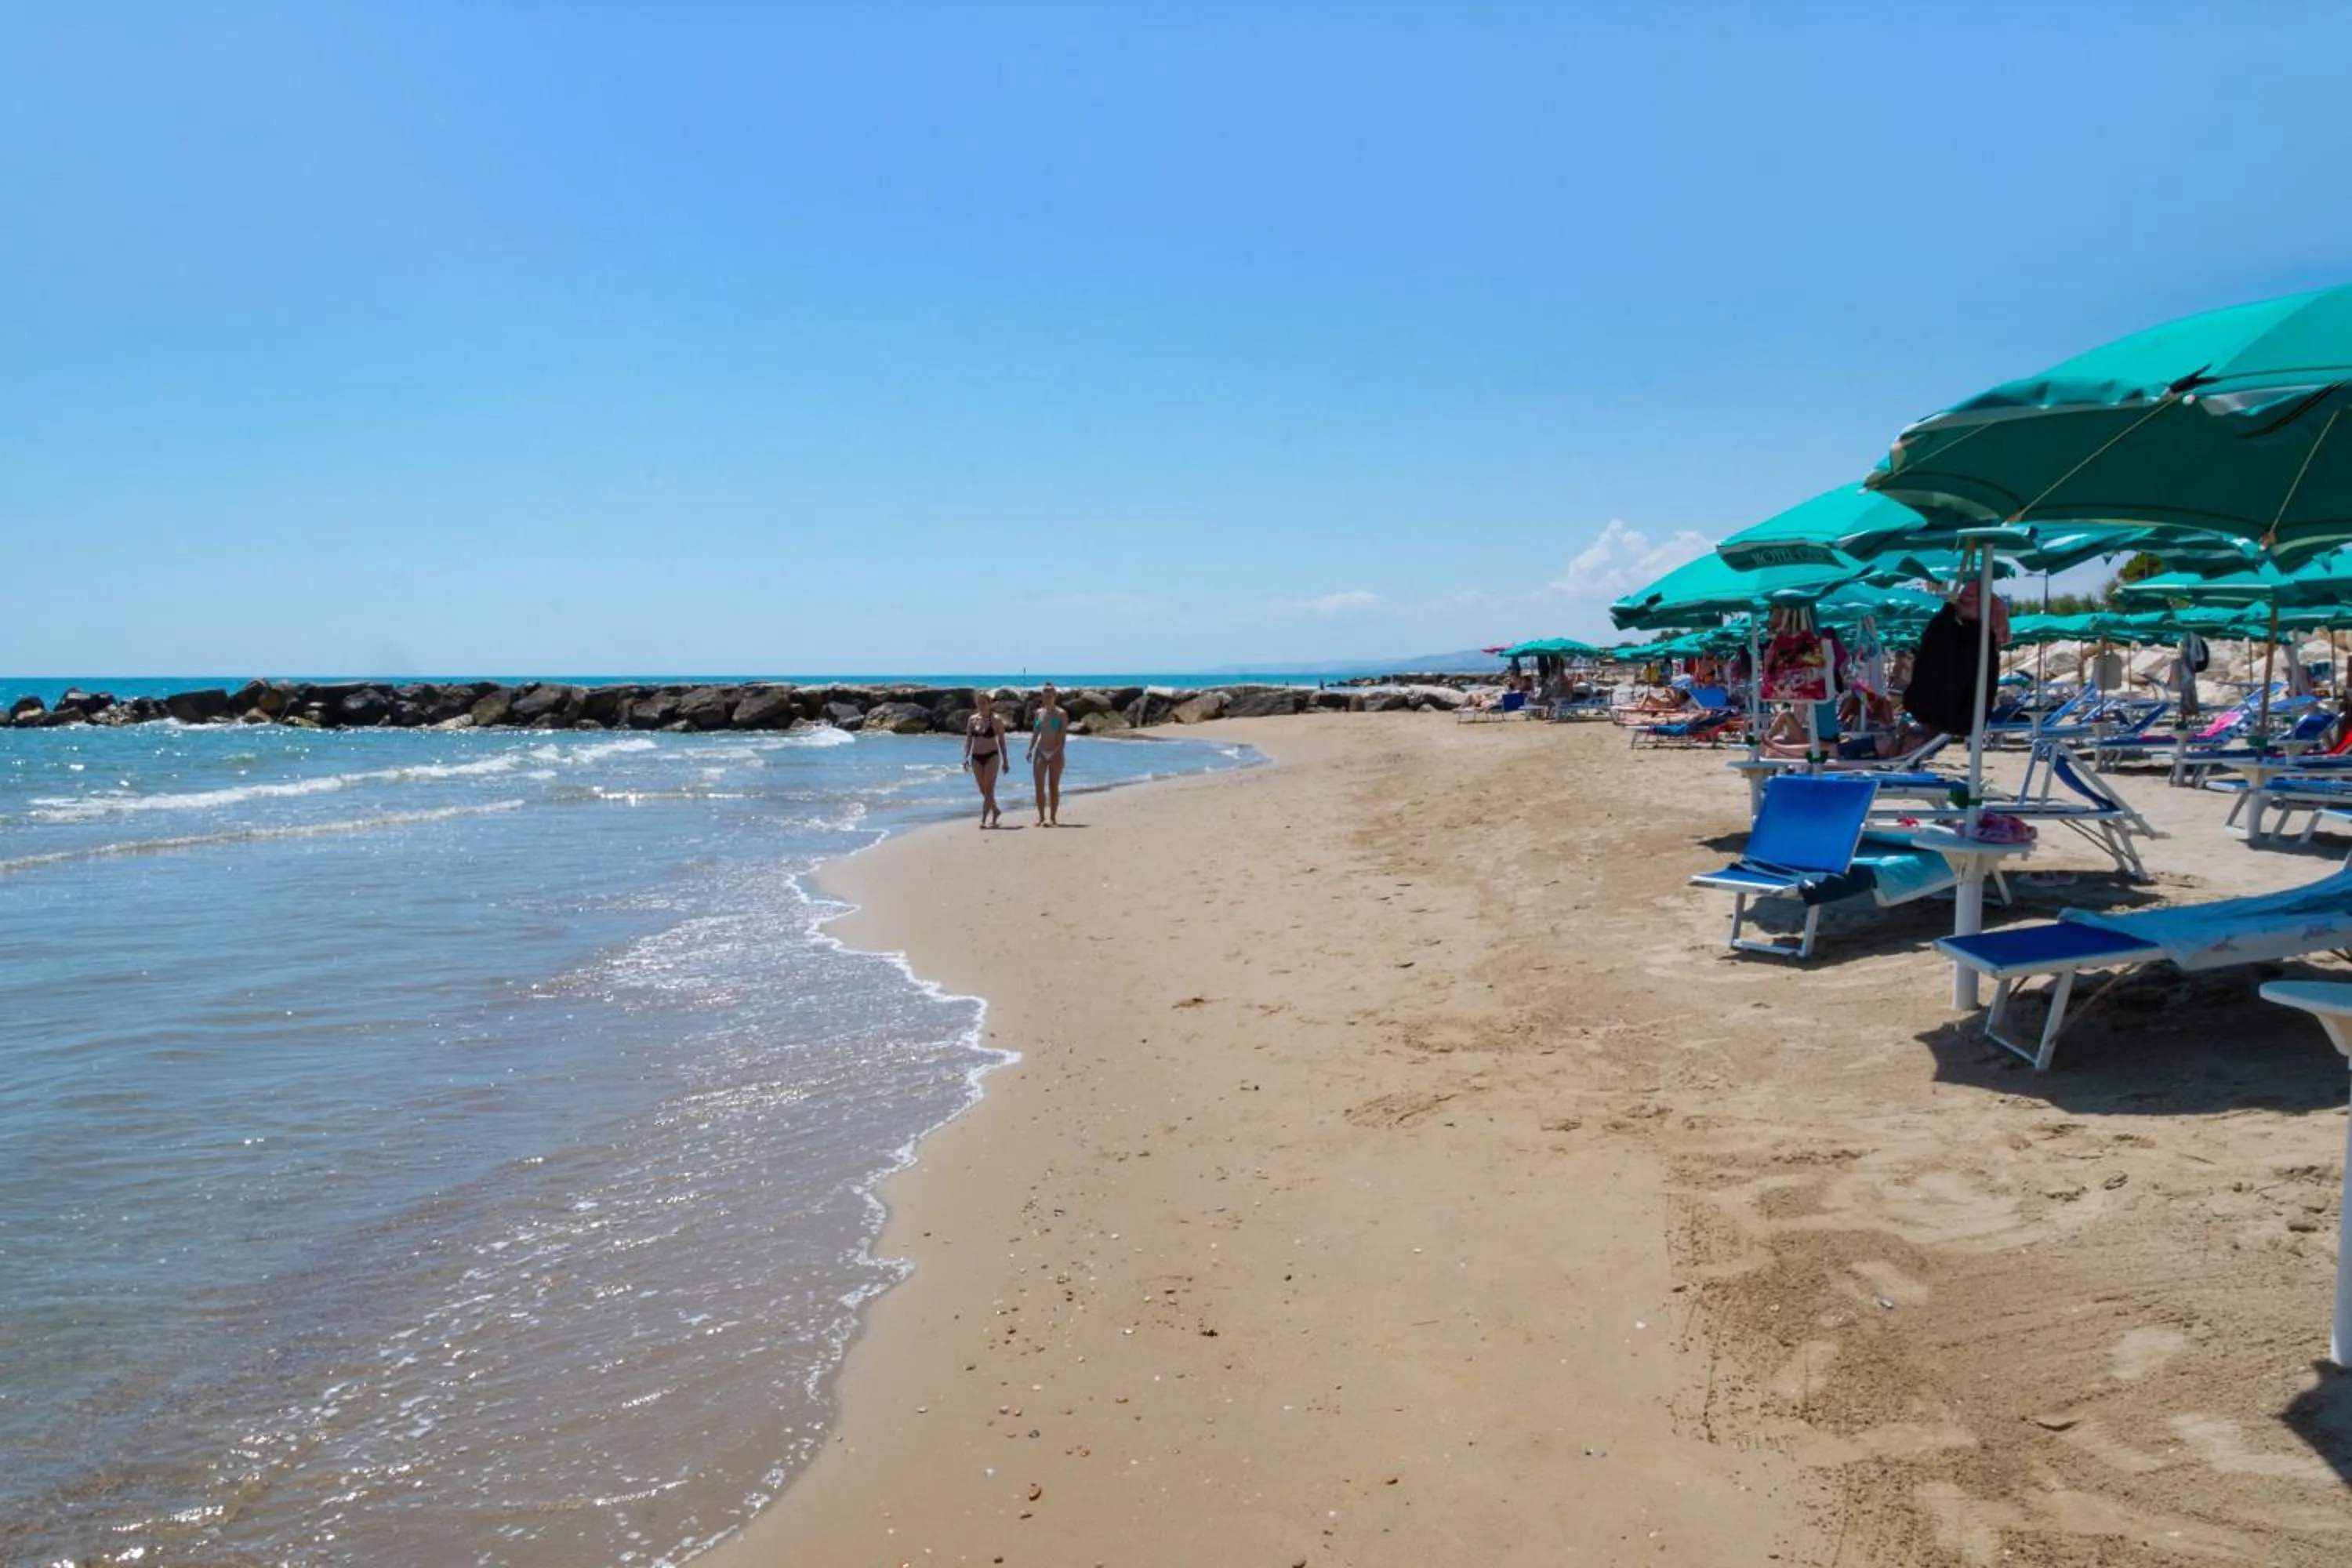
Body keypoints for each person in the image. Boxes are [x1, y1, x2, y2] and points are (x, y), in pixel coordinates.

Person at [963, 691, 1010, 828]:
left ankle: (983, 819)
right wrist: (965, 758)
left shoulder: (996, 720)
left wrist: (1006, 761)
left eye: (984, 703)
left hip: (992, 756)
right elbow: (968, 741)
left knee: (989, 789)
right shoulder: (972, 720)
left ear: (990, 704)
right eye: (979, 703)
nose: (981, 705)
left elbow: (1002, 742)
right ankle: (995, 810)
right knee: (982, 789)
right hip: (976, 757)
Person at [1028, 682, 1069, 826]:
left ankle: (1053, 818)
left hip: (1056, 751)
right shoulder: (1039, 713)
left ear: (1055, 696)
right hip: (1040, 751)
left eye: (1050, 695)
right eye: (1045, 696)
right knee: (1039, 786)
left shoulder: (1061, 714)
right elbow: (1036, 733)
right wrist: (1030, 749)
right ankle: (1041, 817)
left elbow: (1062, 736)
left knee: (1053, 786)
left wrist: (1059, 752)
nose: (1047, 698)